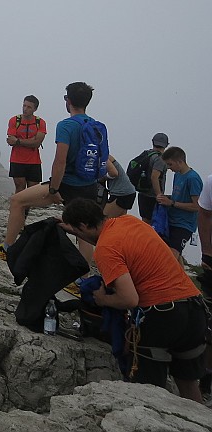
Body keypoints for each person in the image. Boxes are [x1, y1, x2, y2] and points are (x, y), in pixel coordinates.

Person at [60, 197, 206, 403]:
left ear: (83, 225)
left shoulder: (105, 247)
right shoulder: (130, 222)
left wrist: (103, 300)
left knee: (149, 393)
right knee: (188, 383)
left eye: (78, 232)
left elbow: (129, 299)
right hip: (194, 310)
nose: (79, 236)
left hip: (163, 317)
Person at [4, 82, 106, 262]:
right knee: (83, 231)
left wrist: (53, 190)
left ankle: (8, 250)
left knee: (17, 201)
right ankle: (83, 278)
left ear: (68, 100)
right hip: (89, 185)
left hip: (66, 184)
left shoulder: (66, 125)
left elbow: (60, 161)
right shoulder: (96, 126)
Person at [157, 146, 202, 265]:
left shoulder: (193, 179)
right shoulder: (178, 175)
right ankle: (183, 282)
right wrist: (166, 198)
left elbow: (196, 206)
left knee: (170, 257)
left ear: (179, 161)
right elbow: (178, 196)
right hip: (171, 220)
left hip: (184, 224)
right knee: (170, 256)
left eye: (170, 164)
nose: (169, 168)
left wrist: (172, 203)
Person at [6, 95, 47, 193]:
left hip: (34, 161)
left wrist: (18, 141)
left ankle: (28, 208)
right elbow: (11, 141)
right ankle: (18, 208)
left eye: (29, 107)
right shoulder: (14, 120)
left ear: (35, 109)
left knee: (33, 191)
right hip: (17, 160)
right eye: (24, 106)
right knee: (20, 188)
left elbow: (37, 143)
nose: (25, 109)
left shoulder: (40, 122)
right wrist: (31, 141)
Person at [135, 133, 171, 224]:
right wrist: (159, 195)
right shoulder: (160, 159)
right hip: (152, 196)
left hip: (142, 193)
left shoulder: (146, 153)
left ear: (153, 142)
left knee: (145, 221)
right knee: (153, 224)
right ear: (166, 145)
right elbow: (154, 177)